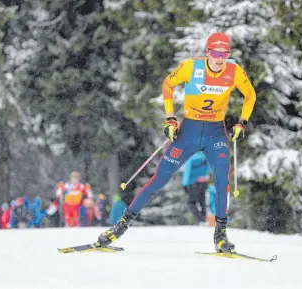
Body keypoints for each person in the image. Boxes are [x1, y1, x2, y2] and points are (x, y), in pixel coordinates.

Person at [96, 32, 256, 253]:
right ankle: (119, 227)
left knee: (221, 180)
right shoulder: (191, 67)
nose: (220, 58)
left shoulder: (234, 71)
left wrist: (241, 123)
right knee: (158, 180)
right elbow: (167, 85)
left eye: (225, 53)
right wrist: (170, 118)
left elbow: (250, 96)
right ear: (208, 52)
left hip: (215, 133)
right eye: (216, 53)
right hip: (188, 131)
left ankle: (220, 236)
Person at [182, 152, 211, 225]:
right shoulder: (205, 156)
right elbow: (208, 169)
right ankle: (204, 219)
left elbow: (187, 171)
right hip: (204, 182)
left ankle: (200, 219)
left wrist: (185, 184)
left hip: (195, 182)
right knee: (202, 201)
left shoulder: (190, 157)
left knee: (191, 202)